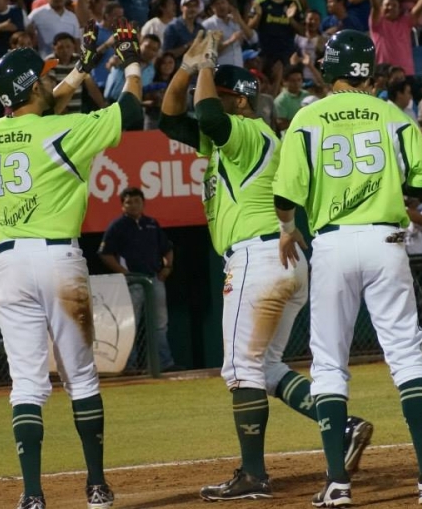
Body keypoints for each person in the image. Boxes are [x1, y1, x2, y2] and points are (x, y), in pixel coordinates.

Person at [158, 30, 374, 502]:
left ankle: (253, 475)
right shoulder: (229, 143)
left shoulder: (248, 130)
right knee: (267, 365)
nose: (203, 99)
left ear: (239, 101)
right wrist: (186, 69)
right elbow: (169, 118)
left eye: (218, 93)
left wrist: (209, 63)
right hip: (281, 259)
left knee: (240, 369)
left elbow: (210, 114)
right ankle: (343, 425)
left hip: (258, 258)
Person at [273, 29, 422, 507]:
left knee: (328, 363)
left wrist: (284, 226)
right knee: (406, 355)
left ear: (329, 66)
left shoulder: (308, 116)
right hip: (386, 240)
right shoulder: (390, 113)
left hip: (333, 243)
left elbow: (285, 195)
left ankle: (337, 483)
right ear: (369, 70)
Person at [0, 17, 143, 509]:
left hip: (10, 265)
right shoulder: (65, 129)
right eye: (46, 77)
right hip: (58, 258)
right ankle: (95, 485)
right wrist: (132, 62)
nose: (54, 81)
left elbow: (40, 104)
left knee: (27, 384)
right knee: (80, 376)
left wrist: (83, 67)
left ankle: (32, 495)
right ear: (33, 87)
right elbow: (132, 114)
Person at [99, 187, 181, 373]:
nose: (134, 205)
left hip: (155, 280)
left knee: (160, 324)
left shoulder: (151, 223)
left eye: (137, 201)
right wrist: (124, 272)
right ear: (122, 206)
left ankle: (164, 363)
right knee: (130, 325)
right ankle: (130, 365)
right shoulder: (117, 226)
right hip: (133, 282)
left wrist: (167, 267)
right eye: (129, 202)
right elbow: (105, 253)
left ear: (143, 203)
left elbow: (167, 248)